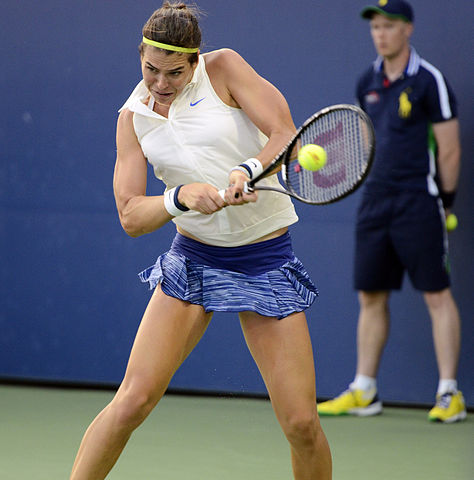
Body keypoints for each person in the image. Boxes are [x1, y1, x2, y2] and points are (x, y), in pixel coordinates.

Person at [70, 2, 332, 478]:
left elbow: (283, 132)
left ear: (195, 60)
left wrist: (246, 169)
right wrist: (179, 198)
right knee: (132, 402)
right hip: (192, 260)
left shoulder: (224, 68)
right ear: (140, 56)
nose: (160, 83)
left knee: (301, 423)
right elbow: (130, 215)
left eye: (173, 72)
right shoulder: (131, 118)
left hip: (265, 259)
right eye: (151, 69)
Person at [317, 0, 466, 423]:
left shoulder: (429, 81)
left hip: (419, 200)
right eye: (375, 26)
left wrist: (446, 201)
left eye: (389, 26)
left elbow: (450, 148)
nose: (380, 33)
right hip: (375, 203)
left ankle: (448, 394)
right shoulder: (367, 80)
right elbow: (366, 144)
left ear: (407, 30)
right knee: (370, 295)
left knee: (437, 295)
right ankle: (365, 389)